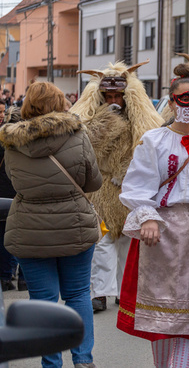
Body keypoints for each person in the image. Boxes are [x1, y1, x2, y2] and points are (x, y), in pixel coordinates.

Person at [116, 60, 189, 368]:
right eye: (185, 98)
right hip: (160, 236)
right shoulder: (154, 141)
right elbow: (135, 187)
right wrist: (148, 217)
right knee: (163, 323)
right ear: (172, 101)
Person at [0, 81, 102, 368]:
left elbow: (14, 180)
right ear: (61, 105)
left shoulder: (12, 142)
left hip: (30, 229)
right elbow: (94, 181)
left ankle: (51, 363)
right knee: (79, 293)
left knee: (43, 300)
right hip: (75, 225)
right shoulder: (78, 135)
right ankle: (83, 360)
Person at [72, 61, 164, 313]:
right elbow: (87, 147)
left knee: (127, 240)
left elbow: (146, 148)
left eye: (118, 95)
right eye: (108, 95)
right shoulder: (91, 120)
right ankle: (99, 292)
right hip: (101, 187)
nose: (114, 99)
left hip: (128, 187)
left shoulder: (140, 121)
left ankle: (125, 291)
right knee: (102, 239)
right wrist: (105, 119)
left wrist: (128, 173)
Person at [0, 106, 24, 292]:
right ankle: (24, 279)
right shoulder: (28, 143)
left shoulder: (3, 141)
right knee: (25, 239)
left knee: (5, 238)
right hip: (22, 195)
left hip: (4, 196)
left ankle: (6, 277)